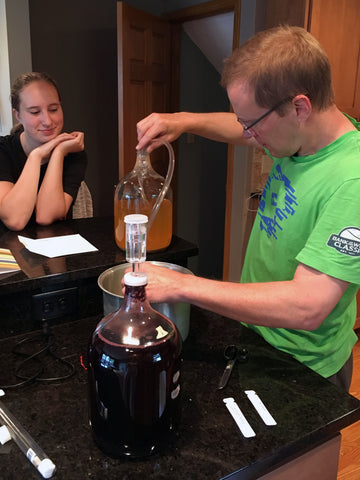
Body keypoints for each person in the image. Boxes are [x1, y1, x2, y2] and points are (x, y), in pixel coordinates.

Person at [135, 25, 360, 391]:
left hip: (304, 369)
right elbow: (240, 127)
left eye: (252, 123)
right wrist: (182, 120)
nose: (248, 135)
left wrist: (182, 285)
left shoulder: (352, 179)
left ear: (299, 106)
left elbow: (307, 306)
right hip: (259, 338)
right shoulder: (301, 135)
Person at [0, 72, 87, 232]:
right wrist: (36, 156)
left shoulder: (73, 153)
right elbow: (15, 220)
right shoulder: (3, 150)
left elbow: (45, 217)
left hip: (55, 251)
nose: (47, 121)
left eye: (53, 109)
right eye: (34, 112)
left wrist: (59, 152)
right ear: (17, 115)